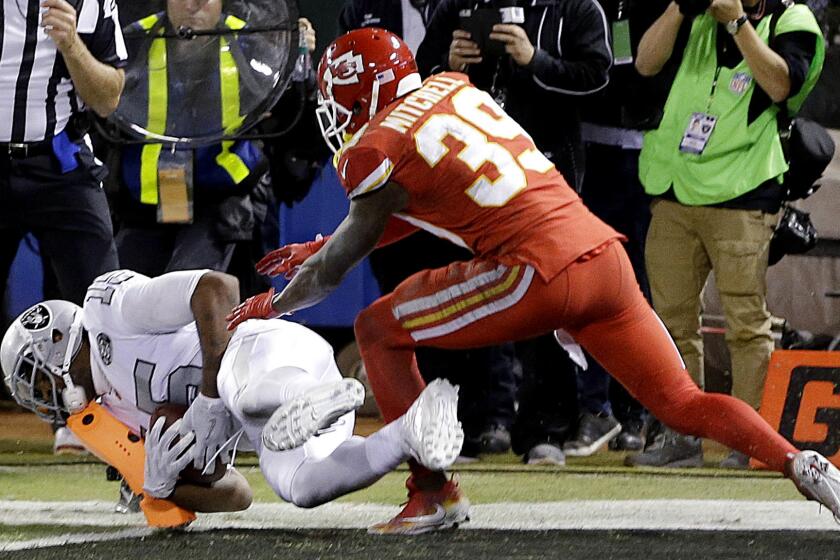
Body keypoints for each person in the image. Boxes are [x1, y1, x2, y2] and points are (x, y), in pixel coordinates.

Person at [227, 27, 840, 535]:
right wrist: (330, 240)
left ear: (363, 92)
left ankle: (432, 493)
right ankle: (801, 464)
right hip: (601, 256)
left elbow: (337, 266)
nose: (336, 117)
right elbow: (414, 202)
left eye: (338, 100)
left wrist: (272, 305)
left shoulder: (378, 145)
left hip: (537, 269)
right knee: (681, 402)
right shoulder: (451, 87)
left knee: (376, 328)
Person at [0, 269, 463, 520]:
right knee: (299, 486)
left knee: (233, 392)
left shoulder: (110, 311)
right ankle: (412, 430)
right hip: (273, 424)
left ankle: (307, 396)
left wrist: (207, 399)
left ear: (58, 346)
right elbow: (236, 495)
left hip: (267, 353)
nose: (45, 397)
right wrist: (160, 491)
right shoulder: (106, 423)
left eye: (38, 381)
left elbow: (218, 288)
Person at [415, 0, 613, 465]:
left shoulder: (578, 8)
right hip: (465, 181)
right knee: (461, 295)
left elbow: (600, 83)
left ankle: (546, 429)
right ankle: (468, 425)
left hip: (546, 178)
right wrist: (449, 66)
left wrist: (534, 59)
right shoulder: (456, 6)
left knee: (545, 300)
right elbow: (417, 82)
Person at [629, 0, 825, 468]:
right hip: (674, 186)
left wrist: (738, 22)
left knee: (745, 323)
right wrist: (680, 6)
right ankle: (680, 435)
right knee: (670, 321)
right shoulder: (694, 17)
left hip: (743, 189)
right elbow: (645, 62)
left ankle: (751, 440)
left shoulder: (792, 19)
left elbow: (781, 86)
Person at [339, 0, 520, 459]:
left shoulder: (465, 7)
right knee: (407, 300)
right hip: (395, 174)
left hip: (460, 176)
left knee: (477, 292)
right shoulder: (364, 8)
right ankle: (436, 420)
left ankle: (493, 412)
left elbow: (495, 94)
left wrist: (453, 68)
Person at [0, 0, 127, 457]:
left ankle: (124, 452)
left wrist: (72, 44)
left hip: (60, 162)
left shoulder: (90, 2)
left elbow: (109, 97)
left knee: (106, 304)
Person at [113, 0, 316, 278]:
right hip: (142, 200)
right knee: (122, 295)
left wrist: (299, 56)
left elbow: (292, 105)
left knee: (192, 289)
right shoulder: (132, 39)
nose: (191, 5)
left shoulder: (252, 41)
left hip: (222, 197)